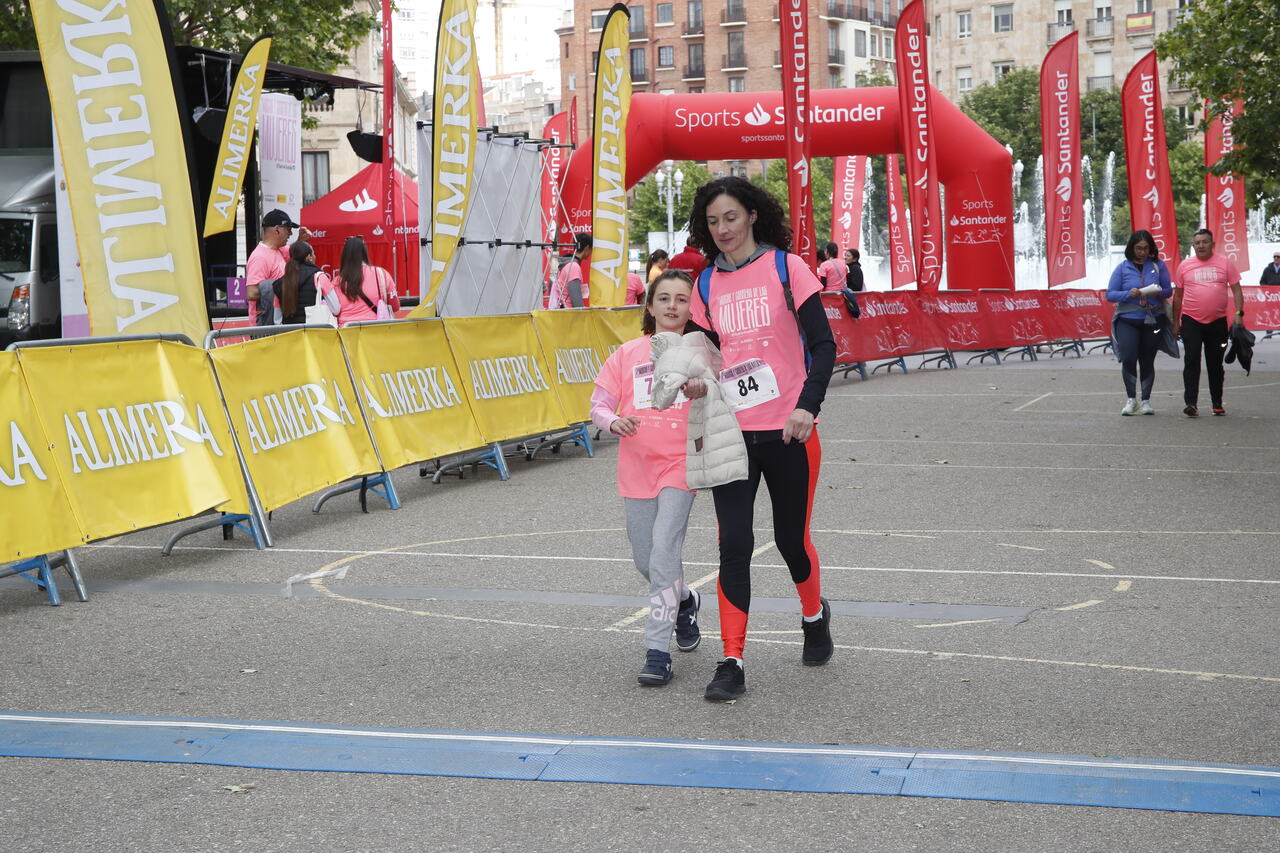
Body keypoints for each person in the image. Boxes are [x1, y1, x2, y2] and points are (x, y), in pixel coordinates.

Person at [681, 176, 837, 702]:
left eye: (730, 217)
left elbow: (824, 345)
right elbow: (701, 353)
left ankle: (814, 616)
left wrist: (806, 407)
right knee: (735, 545)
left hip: (790, 431)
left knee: (792, 540)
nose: (722, 229)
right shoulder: (705, 285)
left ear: (751, 215)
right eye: (712, 222)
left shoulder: (785, 268)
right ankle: (732, 660)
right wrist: (695, 376)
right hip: (733, 435)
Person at [590, 270, 704, 686]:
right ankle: (686, 600)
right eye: (664, 298)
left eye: (681, 299)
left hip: (681, 465)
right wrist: (613, 421)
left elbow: (724, 401)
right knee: (645, 559)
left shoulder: (701, 351)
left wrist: (704, 391)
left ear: (692, 308)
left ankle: (657, 652)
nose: (672, 306)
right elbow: (598, 405)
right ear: (650, 306)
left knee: (662, 555)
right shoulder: (627, 354)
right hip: (636, 469)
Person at [1172, 228, 1245, 417]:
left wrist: (1238, 313)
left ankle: (1217, 403)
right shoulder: (1185, 266)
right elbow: (1178, 297)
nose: (1201, 245)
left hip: (1217, 322)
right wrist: (1175, 322)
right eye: (1197, 243)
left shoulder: (1225, 263)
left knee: (1215, 363)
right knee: (1191, 360)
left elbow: (1237, 290)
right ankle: (1191, 403)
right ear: (1193, 245)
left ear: (1212, 244)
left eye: (1205, 242)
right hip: (1191, 321)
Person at [1106, 230, 1173, 415]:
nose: (1142, 252)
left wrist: (1156, 292)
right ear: (1131, 248)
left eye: (1145, 248)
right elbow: (1110, 294)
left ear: (1151, 248)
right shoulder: (1122, 268)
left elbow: (1168, 291)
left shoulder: (1158, 265)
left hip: (1153, 319)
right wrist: (1129, 293)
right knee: (1128, 357)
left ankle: (1145, 401)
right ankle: (1130, 399)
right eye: (1138, 248)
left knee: (1147, 359)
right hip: (1128, 320)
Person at [320, 236, 399, 328]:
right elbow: (395, 306)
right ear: (365, 252)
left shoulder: (336, 281)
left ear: (344, 256)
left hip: (347, 332)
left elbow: (334, 311)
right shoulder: (381, 274)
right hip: (375, 329)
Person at [246, 209, 309, 324]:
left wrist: (300, 240)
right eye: (288, 230)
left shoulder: (279, 250)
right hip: (264, 326)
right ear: (277, 229)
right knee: (269, 284)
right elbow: (251, 292)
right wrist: (282, 289)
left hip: (276, 322)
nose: (290, 234)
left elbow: (295, 252)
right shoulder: (260, 257)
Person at [277, 241, 331, 325]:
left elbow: (277, 319)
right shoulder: (319, 277)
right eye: (314, 253)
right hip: (313, 333)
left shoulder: (280, 283)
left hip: (289, 334)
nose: (315, 256)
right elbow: (336, 308)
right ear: (309, 257)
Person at [550, 233, 592, 308]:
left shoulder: (566, 264)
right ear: (587, 248)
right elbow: (576, 302)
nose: (591, 253)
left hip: (562, 311)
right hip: (569, 315)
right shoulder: (574, 267)